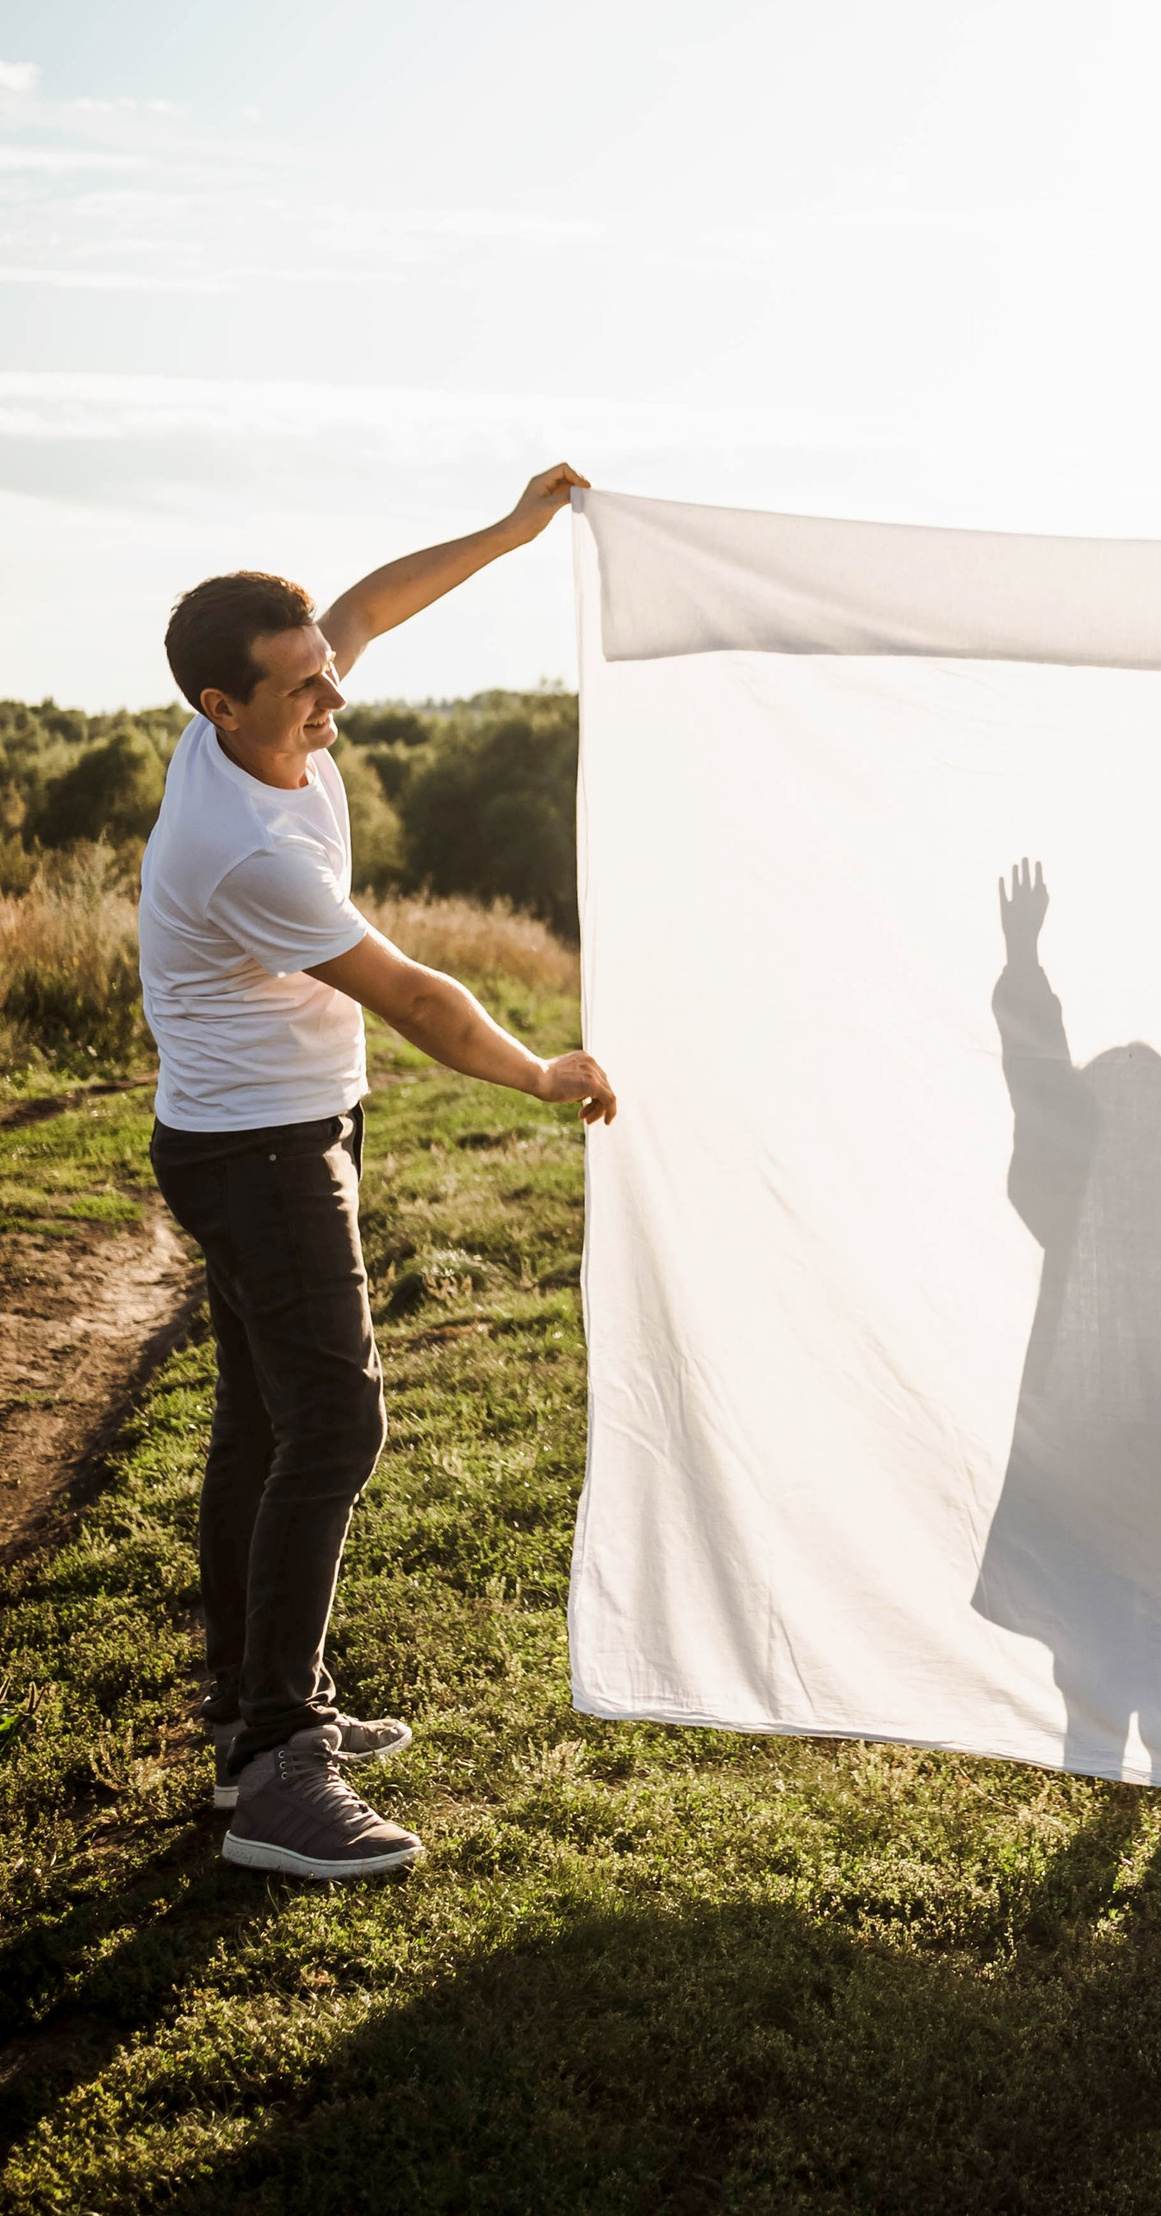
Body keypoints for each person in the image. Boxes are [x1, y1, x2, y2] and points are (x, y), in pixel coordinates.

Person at [141, 467, 616, 1885]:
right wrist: (538, 1073)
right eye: (300, 685)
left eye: (321, 670)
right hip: (259, 1157)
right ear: (220, 706)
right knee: (334, 1427)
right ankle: (279, 1770)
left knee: (263, 1427)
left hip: (269, 1136)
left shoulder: (253, 732)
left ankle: (248, 1718)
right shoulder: (242, 847)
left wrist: (512, 533)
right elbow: (411, 994)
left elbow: (363, 608)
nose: (329, 693)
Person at [971, 853, 1161, 1782]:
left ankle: (1153, 1773)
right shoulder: (1116, 1187)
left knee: (1149, 1631)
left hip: (1153, 1434)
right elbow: (1055, 1076)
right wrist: (1026, 961)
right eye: (1123, 1080)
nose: (1142, 1076)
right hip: (1120, 1437)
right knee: (1104, 1631)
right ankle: (1120, 1767)